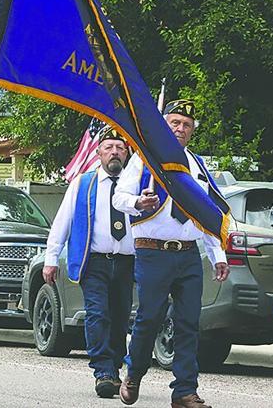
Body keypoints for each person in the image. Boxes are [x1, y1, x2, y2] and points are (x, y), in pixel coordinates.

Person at [113, 100, 228, 408]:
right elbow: (118, 198)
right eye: (175, 122)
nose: (180, 129)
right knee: (149, 318)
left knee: (189, 322)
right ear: (164, 125)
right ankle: (134, 372)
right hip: (153, 253)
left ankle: (184, 391)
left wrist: (217, 253)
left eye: (186, 125)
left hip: (188, 254)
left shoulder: (197, 165)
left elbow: (208, 212)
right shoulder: (145, 159)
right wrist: (139, 202)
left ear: (192, 132)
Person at [44, 125, 135, 398]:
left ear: (128, 153)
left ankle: (115, 366)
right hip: (94, 261)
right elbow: (62, 222)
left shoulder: (137, 184)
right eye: (109, 148)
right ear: (98, 153)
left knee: (120, 318)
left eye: (120, 148)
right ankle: (103, 371)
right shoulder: (82, 184)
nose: (115, 152)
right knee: (98, 314)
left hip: (128, 262)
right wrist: (51, 258)